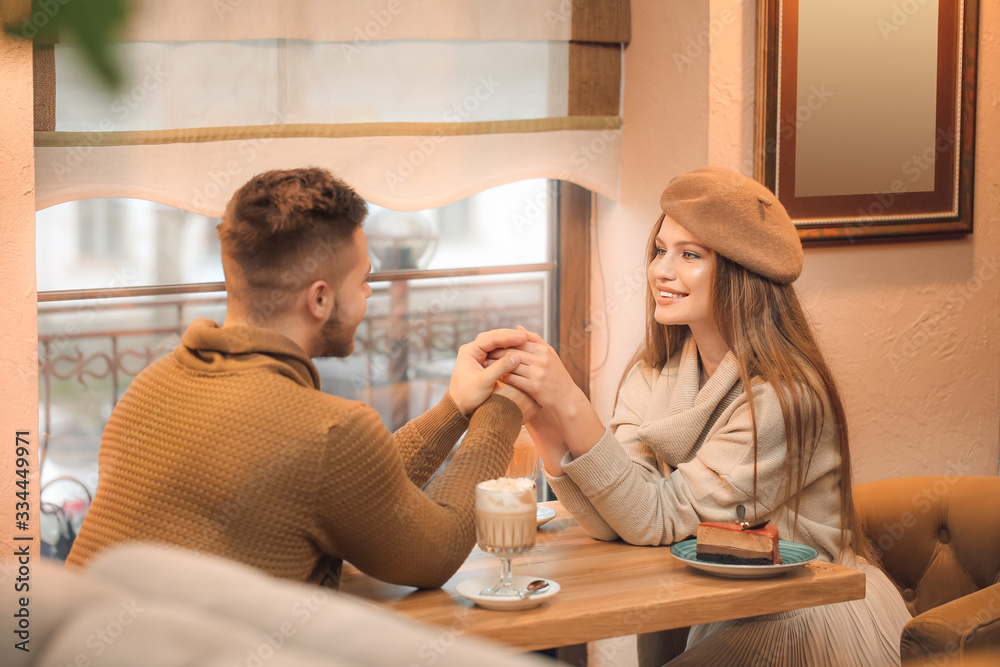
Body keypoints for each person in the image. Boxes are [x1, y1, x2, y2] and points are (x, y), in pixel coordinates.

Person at [489, 168, 910, 665]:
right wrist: (540, 420)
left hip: (809, 611)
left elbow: (653, 516)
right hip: (729, 606)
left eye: (690, 255)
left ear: (741, 273)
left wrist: (570, 401)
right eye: (660, 249)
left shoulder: (786, 397)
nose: (660, 271)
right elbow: (617, 518)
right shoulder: (652, 372)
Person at [66, 167, 535, 590]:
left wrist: (454, 409)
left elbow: (343, 483)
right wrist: (503, 409)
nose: (370, 292)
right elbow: (435, 553)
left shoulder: (153, 384)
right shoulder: (328, 433)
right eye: (364, 279)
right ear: (320, 301)